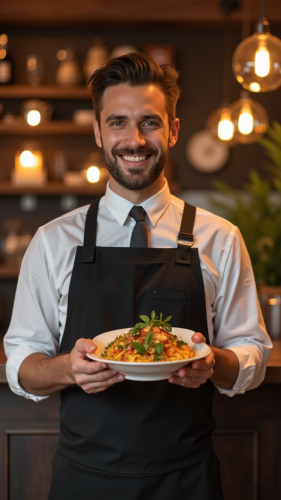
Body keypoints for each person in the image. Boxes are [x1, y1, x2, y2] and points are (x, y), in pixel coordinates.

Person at [4, 53, 272, 500]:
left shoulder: (220, 238)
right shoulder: (53, 240)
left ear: (173, 130)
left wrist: (214, 365)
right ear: (97, 132)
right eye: (118, 123)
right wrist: (65, 369)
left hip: (186, 479)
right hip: (84, 478)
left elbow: (252, 352)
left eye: (150, 122)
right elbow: (22, 365)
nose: (134, 139)